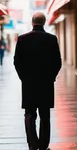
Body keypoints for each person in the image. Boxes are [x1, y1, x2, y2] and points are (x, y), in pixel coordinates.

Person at [14, 12, 62, 150]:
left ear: (32, 23)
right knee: (45, 115)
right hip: (46, 85)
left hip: (28, 85)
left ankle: (33, 144)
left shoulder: (22, 39)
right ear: (44, 22)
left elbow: (17, 62)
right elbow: (57, 62)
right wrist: (51, 77)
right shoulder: (52, 39)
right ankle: (43, 146)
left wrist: (24, 78)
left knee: (29, 115)